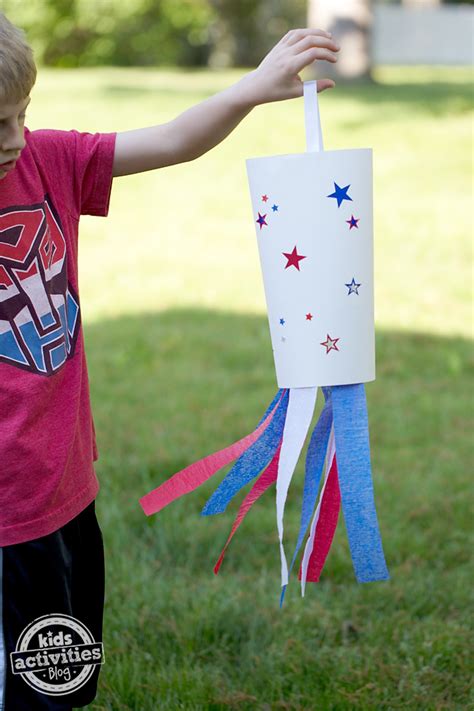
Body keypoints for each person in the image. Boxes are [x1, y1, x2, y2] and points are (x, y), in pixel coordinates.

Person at [0, 10, 339, 710]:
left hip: (63, 491)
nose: (12, 138)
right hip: (5, 515)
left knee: (58, 681)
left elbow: (174, 140)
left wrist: (249, 88)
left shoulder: (49, 158)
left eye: (20, 114)